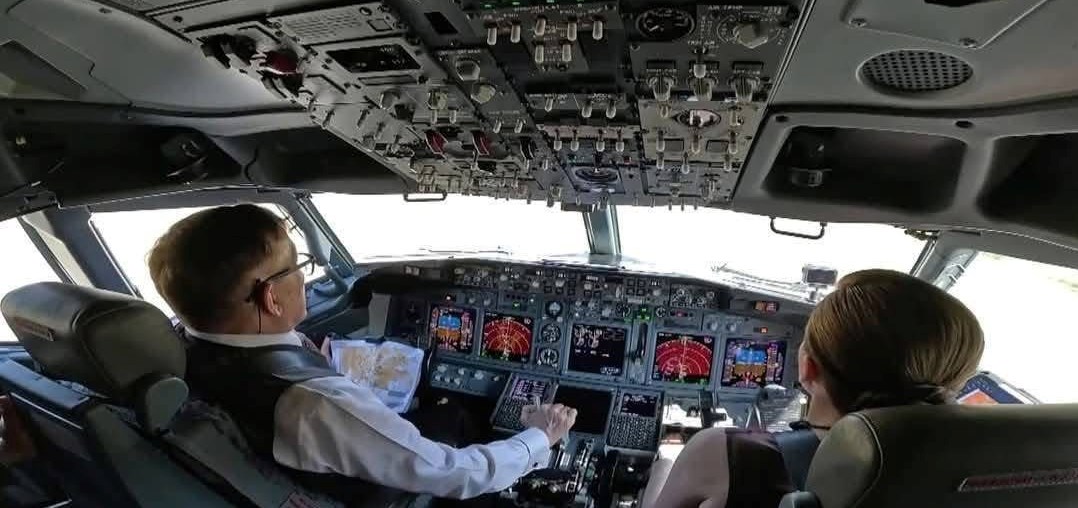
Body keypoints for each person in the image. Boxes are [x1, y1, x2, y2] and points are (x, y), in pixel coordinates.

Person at [147, 204, 577, 501]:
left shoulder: (183, 348)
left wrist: (316, 359)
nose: (304, 278)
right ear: (272, 299)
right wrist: (539, 437)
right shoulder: (313, 403)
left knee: (448, 415)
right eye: (298, 267)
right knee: (457, 422)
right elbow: (456, 472)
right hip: (369, 494)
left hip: (310, 466)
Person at [644, 269, 985, 508]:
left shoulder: (728, 453)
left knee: (662, 466)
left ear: (807, 368)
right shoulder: (976, 480)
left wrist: (665, 465)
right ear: (956, 380)